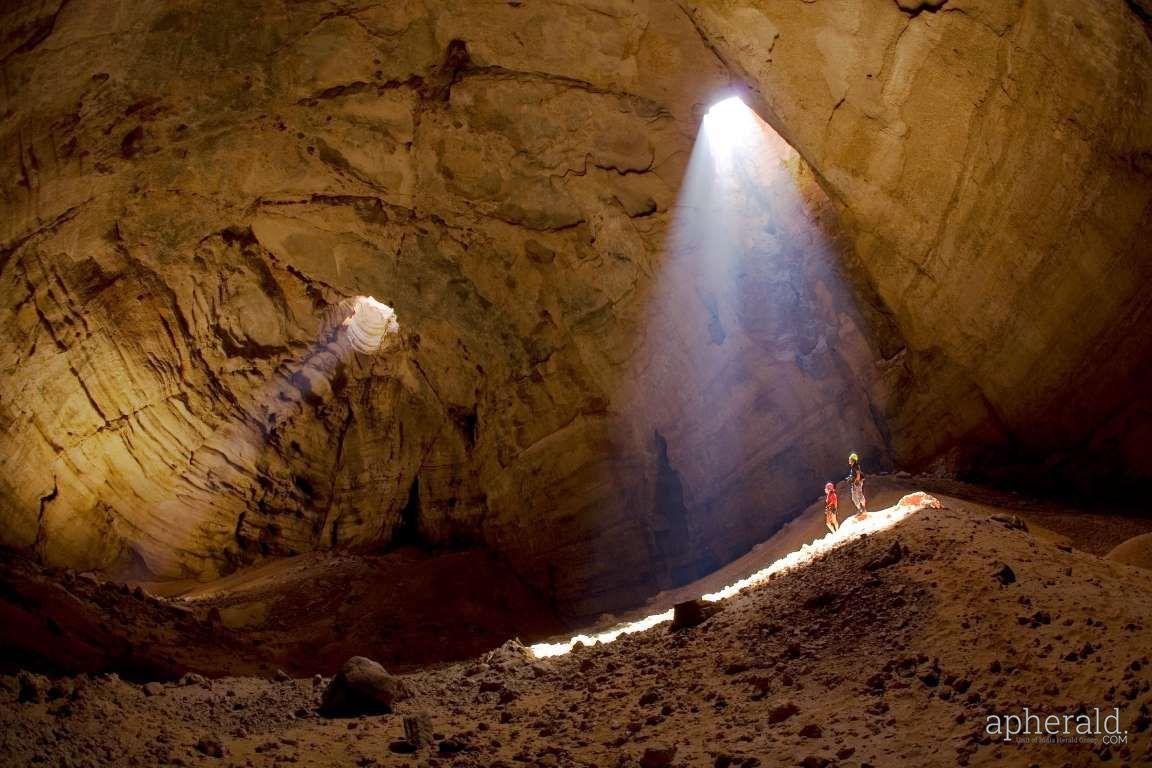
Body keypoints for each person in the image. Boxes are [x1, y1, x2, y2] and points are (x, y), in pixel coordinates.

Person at [847, 452, 867, 518]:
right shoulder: (853, 466)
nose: (848, 460)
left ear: (852, 459)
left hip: (857, 483)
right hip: (855, 483)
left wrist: (857, 481)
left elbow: (858, 473)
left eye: (849, 459)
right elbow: (855, 474)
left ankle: (863, 509)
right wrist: (850, 478)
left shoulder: (855, 465)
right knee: (854, 497)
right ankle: (860, 509)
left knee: (859, 495)